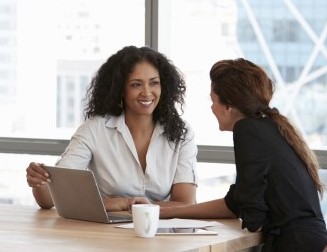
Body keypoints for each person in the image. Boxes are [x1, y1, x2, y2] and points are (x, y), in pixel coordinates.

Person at [156, 58, 327, 252]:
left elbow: (252, 214)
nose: (212, 107)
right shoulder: (270, 127)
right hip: (309, 242)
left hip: (295, 246)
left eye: (212, 100)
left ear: (228, 106)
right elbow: (235, 203)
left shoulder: (247, 129)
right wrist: (167, 212)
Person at [26, 45, 198, 212]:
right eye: (136, 84)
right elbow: (50, 198)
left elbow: (186, 203)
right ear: (120, 89)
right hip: (105, 234)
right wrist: (39, 180)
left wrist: (130, 206)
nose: (147, 92)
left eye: (154, 83)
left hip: (162, 233)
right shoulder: (94, 129)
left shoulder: (181, 134)